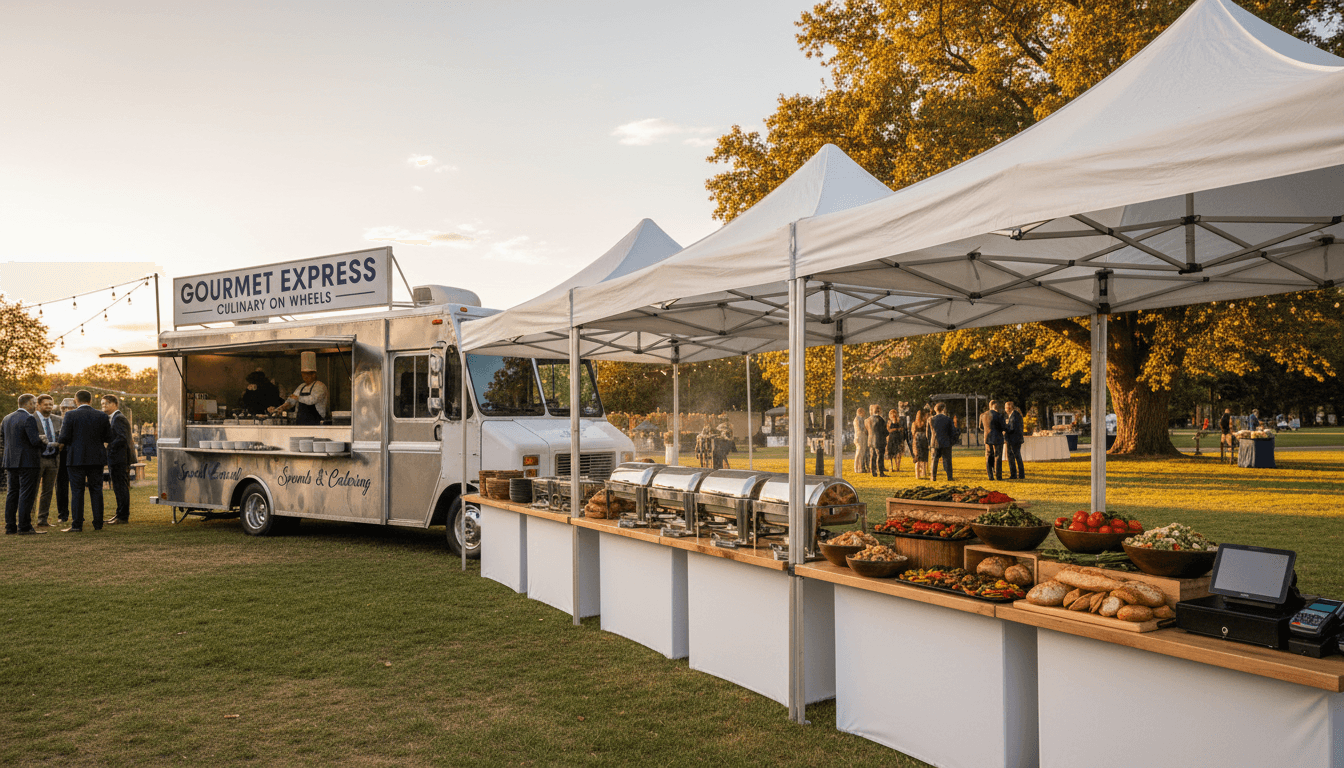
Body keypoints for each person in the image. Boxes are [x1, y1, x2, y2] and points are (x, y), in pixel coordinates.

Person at [55, 390, 111, 532]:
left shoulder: (70, 415)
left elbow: (63, 438)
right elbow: (109, 438)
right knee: (96, 491)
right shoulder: (102, 415)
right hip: (96, 459)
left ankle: (77, 525)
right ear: (91, 401)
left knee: (77, 491)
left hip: (75, 459)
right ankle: (98, 523)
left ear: (76, 400)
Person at [3, 394, 47, 535]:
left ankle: (10, 527)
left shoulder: (6, 418)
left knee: (12, 493)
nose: (35, 406)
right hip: (27, 462)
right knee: (26, 494)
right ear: (27, 403)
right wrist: (44, 442)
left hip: (10, 460)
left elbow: (4, 439)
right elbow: (34, 441)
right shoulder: (29, 418)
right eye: (34, 403)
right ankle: (24, 526)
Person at [271, 351, 329, 426]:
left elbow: (311, 400)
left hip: (316, 424)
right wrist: (281, 408)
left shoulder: (320, 386)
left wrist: (297, 398)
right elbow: (291, 401)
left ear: (313, 374)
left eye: (307, 375)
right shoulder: (301, 386)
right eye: (303, 375)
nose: (304, 378)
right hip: (300, 424)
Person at [33, 395, 64, 528]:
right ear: (38, 405)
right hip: (37, 459)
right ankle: (27, 520)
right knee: (32, 491)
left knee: (48, 491)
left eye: (51, 404)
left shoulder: (58, 420)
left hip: (53, 459)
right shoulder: (31, 419)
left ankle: (42, 520)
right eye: (46, 404)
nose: (49, 407)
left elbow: (63, 436)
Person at [102, 395, 134, 525]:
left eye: (105, 404)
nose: (103, 406)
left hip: (120, 458)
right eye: (102, 404)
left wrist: (108, 446)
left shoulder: (119, 418)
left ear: (114, 404)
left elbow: (121, 438)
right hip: (117, 458)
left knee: (121, 487)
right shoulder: (114, 418)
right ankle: (119, 514)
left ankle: (122, 516)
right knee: (118, 487)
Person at [929, 402, 956, 482]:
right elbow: (952, 432)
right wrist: (952, 441)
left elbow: (929, 433)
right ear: (943, 409)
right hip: (946, 442)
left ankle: (933, 477)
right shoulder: (948, 419)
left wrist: (929, 443)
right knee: (947, 461)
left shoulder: (931, 419)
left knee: (934, 460)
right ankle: (949, 477)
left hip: (935, 442)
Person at [981, 400, 1005, 481]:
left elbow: (980, 427)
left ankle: (990, 475)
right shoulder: (999, 415)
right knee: (998, 456)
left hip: (987, 437)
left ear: (989, 406)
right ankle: (998, 475)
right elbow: (1003, 427)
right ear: (996, 406)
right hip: (998, 437)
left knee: (988, 456)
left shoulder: (983, 415)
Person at [1004, 401, 1025, 480]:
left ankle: (1014, 474)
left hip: (1013, 439)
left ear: (1009, 407)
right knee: (1017, 456)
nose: (1005, 409)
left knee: (1013, 457)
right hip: (1016, 439)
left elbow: (1011, 428)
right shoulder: (1016, 414)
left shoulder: (1014, 416)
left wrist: (1004, 427)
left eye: (1005, 407)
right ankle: (1020, 474)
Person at [865, 404, 888, 477]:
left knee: (873, 457)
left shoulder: (868, 419)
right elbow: (885, 431)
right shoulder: (880, 419)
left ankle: (873, 472)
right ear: (879, 410)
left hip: (870, 440)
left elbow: (866, 431)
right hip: (879, 440)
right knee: (880, 457)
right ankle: (881, 472)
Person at [912, 408, 931, 479]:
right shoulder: (925, 423)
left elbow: (913, 433)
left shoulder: (914, 423)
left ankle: (917, 475)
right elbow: (927, 432)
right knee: (924, 458)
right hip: (924, 440)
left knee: (918, 457)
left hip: (917, 440)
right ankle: (924, 473)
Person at [886, 407, 907, 473]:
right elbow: (888, 430)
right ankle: (892, 467)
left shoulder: (899, 421)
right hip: (891, 439)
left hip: (898, 438)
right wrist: (897, 429)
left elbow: (902, 429)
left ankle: (898, 467)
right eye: (892, 414)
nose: (893, 415)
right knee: (891, 454)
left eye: (894, 413)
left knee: (898, 454)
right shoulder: (889, 422)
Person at [853, 408, 869, 474]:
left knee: (862, 453)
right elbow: (860, 428)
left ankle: (860, 468)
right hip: (859, 436)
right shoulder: (857, 419)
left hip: (862, 436)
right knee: (859, 452)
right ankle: (856, 468)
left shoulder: (861, 419)